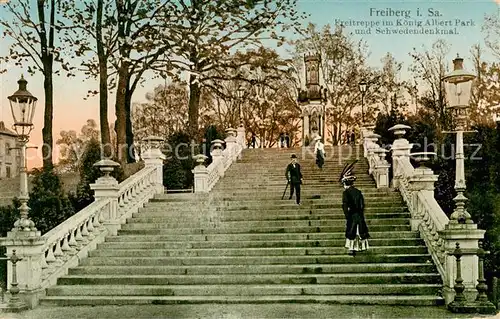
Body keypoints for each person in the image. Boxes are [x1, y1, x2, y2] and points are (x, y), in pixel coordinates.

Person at [340, 162, 370, 256]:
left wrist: (347, 215)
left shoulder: (346, 193)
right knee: (359, 231)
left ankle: (352, 249)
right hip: (359, 215)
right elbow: (362, 205)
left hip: (352, 215)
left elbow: (345, 206)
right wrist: (360, 213)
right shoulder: (358, 192)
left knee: (351, 232)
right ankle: (359, 247)